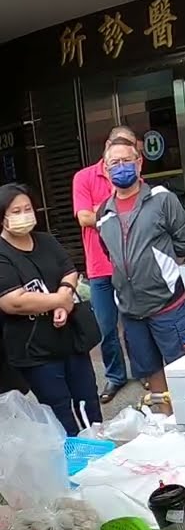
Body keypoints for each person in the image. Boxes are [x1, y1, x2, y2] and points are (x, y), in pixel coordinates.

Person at [96, 137, 185, 412]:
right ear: (105, 170)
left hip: (168, 305)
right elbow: (110, 254)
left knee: (183, 367)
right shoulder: (103, 213)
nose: (121, 167)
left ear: (139, 162)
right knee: (151, 370)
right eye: (114, 163)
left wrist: (159, 267)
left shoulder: (162, 199)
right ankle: (166, 422)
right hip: (131, 310)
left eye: (126, 160)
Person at [0, 183, 102, 434]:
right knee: (59, 409)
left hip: (70, 337)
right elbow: (13, 301)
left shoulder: (45, 241)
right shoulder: (2, 254)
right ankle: (73, 461)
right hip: (34, 350)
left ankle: (102, 451)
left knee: (88, 398)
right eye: (15, 211)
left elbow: (69, 270)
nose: (24, 215)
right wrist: (59, 301)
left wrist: (64, 298)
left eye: (27, 208)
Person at [72, 125, 137, 404]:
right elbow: (84, 217)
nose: (122, 163)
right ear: (107, 148)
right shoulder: (84, 177)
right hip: (99, 266)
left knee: (135, 320)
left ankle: (143, 370)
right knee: (106, 326)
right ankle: (115, 376)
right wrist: (113, 202)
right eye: (116, 153)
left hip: (131, 262)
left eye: (129, 151)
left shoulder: (133, 172)